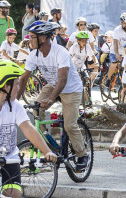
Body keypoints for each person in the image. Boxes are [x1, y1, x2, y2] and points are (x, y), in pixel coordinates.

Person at [0, 60, 59, 198]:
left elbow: (29, 130)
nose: (19, 87)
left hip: (9, 160)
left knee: (14, 197)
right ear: (5, 86)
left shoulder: (14, 106)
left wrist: (47, 151)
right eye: (15, 84)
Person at [19, 20, 89, 169]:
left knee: (70, 125)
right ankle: (49, 144)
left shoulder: (60, 52)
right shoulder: (34, 55)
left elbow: (63, 79)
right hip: (53, 85)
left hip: (71, 89)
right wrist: (13, 101)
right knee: (36, 109)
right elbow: (24, 79)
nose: (29, 40)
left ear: (43, 38)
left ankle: (82, 154)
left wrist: (51, 99)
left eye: (32, 37)